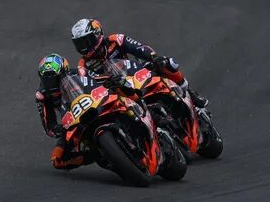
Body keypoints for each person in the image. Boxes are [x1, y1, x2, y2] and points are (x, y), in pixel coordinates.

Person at [70, 18, 208, 110]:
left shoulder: (116, 40)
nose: (84, 47)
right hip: (120, 90)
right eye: (79, 44)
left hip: (136, 74)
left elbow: (139, 48)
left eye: (86, 41)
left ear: (96, 34)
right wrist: (107, 84)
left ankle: (189, 93)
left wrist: (154, 57)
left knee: (168, 63)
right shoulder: (83, 65)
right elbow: (90, 85)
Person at [34, 53, 95, 170]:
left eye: (54, 78)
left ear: (64, 73)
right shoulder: (42, 95)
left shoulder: (79, 73)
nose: (51, 84)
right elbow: (49, 126)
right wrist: (58, 129)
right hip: (73, 123)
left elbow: (100, 79)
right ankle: (95, 155)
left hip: (95, 104)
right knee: (57, 160)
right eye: (47, 80)